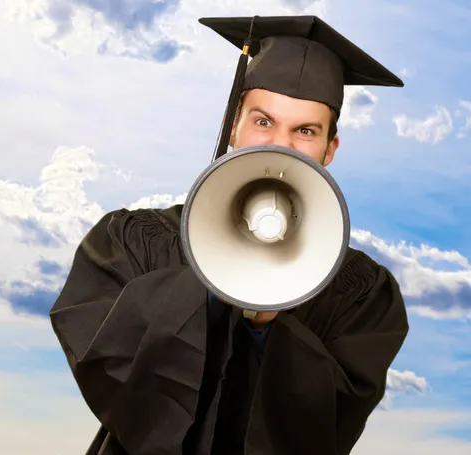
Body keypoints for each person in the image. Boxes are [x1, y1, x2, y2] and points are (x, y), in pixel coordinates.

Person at [50, 14, 409, 455]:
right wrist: (210, 292)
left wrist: (266, 327)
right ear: (232, 123)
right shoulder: (135, 240)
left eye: (305, 131)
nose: (280, 145)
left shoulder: (362, 293)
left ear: (329, 149)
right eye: (263, 121)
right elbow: (104, 364)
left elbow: (330, 424)